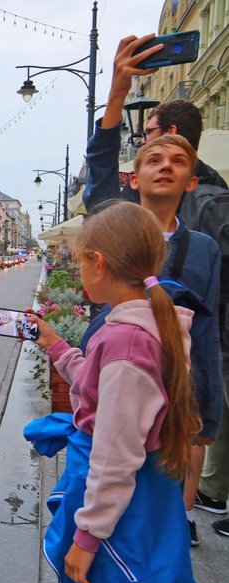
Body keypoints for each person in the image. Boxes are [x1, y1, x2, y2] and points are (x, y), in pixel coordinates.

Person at [26, 201, 200, 583]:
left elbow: (116, 455)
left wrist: (87, 537)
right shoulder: (148, 324)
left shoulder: (126, 340)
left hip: (122, 507)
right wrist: (56, 346)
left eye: (79, 259)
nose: (76, 268)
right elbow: (106, 388)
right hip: (139, 494)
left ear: (97, 263)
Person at [83, 34, 226, 546]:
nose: (165, 165)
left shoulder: (204, 247)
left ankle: (170, 530)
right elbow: (100, 167)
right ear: (135, 177)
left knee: (159, 515)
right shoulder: (117, 223)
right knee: (113, 478)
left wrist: (207, 411)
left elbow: (207, 327)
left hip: (176, 383)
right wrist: (117, 91)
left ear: (191, 180)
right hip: (116, 377)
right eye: (152, 158)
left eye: (178, 161)